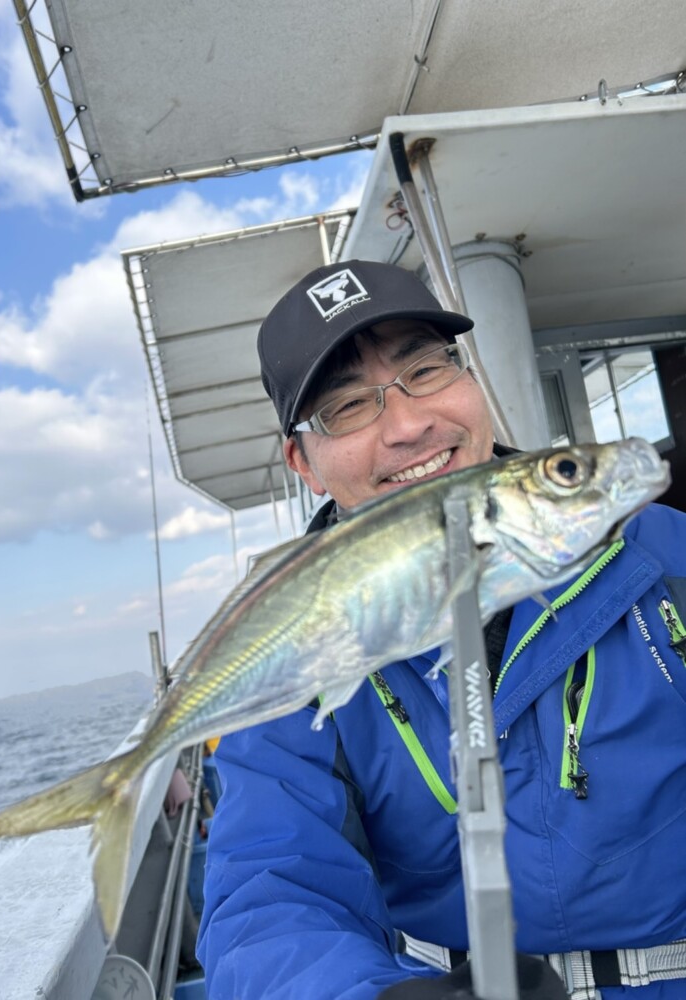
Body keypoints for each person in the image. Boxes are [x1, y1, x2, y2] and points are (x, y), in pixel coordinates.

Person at [197, 259, 686, 999]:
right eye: (346, 407)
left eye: (425, 369)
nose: (409, 425)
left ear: (470, 378)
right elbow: (267, 893)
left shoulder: (665, 556)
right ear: (305, 462)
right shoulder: (286, 642)